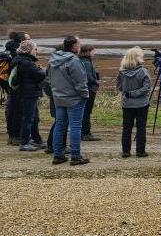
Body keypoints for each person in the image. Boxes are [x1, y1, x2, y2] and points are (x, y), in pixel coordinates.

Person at [49, 35, 90, 165]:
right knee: (75, 126)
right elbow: (81, 82)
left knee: (60, 126)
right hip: (74, 99)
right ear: (74, 46)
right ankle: (76, 156)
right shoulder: (74, 61)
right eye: (79, 44)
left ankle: (58, 155)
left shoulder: (52, 59)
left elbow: (48, 78)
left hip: (58, 97)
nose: (80, 46)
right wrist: (85, 95)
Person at [10, 40, 46, 151]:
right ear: (29, 50)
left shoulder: (18, 60)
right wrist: (44, 70)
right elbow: (38, 76)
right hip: (28, 94)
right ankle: (24, 143)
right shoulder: (26, 62)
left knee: (34, 118)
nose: (36, 51)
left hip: (25, 93)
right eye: (35, 49)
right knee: (28, 118)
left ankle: (36, 140)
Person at [116, 46, 151, 158]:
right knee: (141, 127)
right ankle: (140, 151)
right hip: (142, 104)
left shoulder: (121, 72)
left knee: (126, 128)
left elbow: (119, 86)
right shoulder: (143, 71)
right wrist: (135, 93)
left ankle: (126, 151)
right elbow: (147, 88)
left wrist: (128, 93)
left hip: (127, 104)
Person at [4, 30, 29, 146]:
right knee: (17, 111)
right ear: (22, 41)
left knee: (11, 110)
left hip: (8, 84)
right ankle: (16, 137)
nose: (30, 41)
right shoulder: (17, 53)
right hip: (17, 85)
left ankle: (11, 136)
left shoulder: (8, 49)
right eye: (28, 39)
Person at [78, 44, 101, 142]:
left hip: (88, 89)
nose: (94, 53)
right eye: (93, 51)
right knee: (86, 111)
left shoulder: (84, 60)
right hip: (89, 89)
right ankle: (86, 133)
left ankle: (85, 131)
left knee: (85, 111)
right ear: (88, 51)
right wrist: (96, 81)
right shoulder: (86, 62)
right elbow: (88, 76)